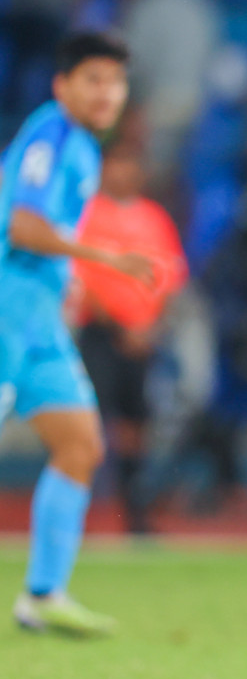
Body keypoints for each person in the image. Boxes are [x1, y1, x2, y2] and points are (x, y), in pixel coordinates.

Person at [2, 32, 154, 635]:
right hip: (8, 316)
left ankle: (43, 593)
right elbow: (24, 227)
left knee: (81, 446)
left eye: (115, 82)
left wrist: (67, 279)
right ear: (62, 85)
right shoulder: (50, 134)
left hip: (38, 322)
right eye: (93, 79)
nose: (106, 92)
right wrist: (104, 257)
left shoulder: (86, 149)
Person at [73, 142, 188, 536]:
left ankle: (132, 513)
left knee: (135, 426)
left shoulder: (155, 218)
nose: (121, 172)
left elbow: (170, 277)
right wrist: (121, 326)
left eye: (129, 163)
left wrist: (150, 328)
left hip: (144, 339)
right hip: (101, 334)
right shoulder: (87, 216)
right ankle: (78, 512)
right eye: (114, 163)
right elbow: (80, 276)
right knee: (88, 421)